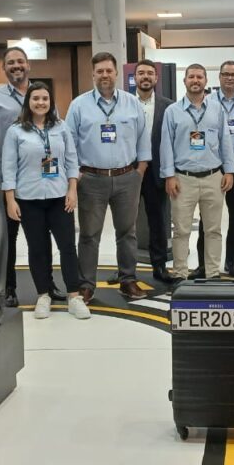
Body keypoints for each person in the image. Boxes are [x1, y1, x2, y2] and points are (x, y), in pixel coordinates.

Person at [66, 51, 151, 301]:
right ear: (93, 75)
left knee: (127, 232)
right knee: (89, 235)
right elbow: (68, 143)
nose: (105, 75)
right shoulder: (79, 105)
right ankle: (86, 285)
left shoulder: (132, 103)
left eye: (109, 70)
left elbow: (143, 139)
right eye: (100, 71)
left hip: (127, 178)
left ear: (117, 74)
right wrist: (76, 177)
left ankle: (128, 280)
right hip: (91, 180)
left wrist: (139, 172)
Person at [1, 82, 89, 320]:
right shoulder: (16, 131)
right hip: (28, 199)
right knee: (37, 249)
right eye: (36, 98)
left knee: (67, 247)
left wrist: (72, 190)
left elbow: (71, 160)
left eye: (45, 99)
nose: (40, 103)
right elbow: (8, 167)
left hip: (60, 197)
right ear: (28, 102)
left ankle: (74, 296)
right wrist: (10, 199)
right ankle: (43, 295)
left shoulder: (61, 127)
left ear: (51, 102)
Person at [0, 46, 62, 307]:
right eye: (10, 63)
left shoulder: (43, 95)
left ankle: (48, 285)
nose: (16, 66)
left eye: (20, 61)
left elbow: (55, 135)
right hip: (6, 181)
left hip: (39, 181)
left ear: (28, 65)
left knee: (41, 237)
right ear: (3, 68)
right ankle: (8, 287)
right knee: (8, 237)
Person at [160, 64, 234, 281]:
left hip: (213, 177)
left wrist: (229, 171)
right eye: (191, 77)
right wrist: (169, 176)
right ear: (184, 81)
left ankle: (212, 273)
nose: (195, 80)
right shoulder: (172, 111)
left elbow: (225, 141)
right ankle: (180, 274)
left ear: (205, 81)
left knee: (213, 230)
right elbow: (166, 145)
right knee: (181, 230)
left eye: (199, 77)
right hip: (183, 179)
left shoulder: (216, 109)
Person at [195, 60, 234, 277]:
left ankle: (231, 261)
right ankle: (203, 264)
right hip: (213, 167)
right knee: (207, 218)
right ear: (219, 77)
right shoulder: (207, 102)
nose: (230, 78)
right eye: (226, 74)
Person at [134, 60, 176, 283]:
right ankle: (124, 268)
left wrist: (171, 172)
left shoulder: (168, 106)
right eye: (141, 73)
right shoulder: (124, 103)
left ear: (156, 78)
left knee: (157, 221)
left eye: (150, 73)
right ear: (135, 77)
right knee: (125, 222)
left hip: (157, 171)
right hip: (130, 170)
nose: (145, 77)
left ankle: (159, 266)